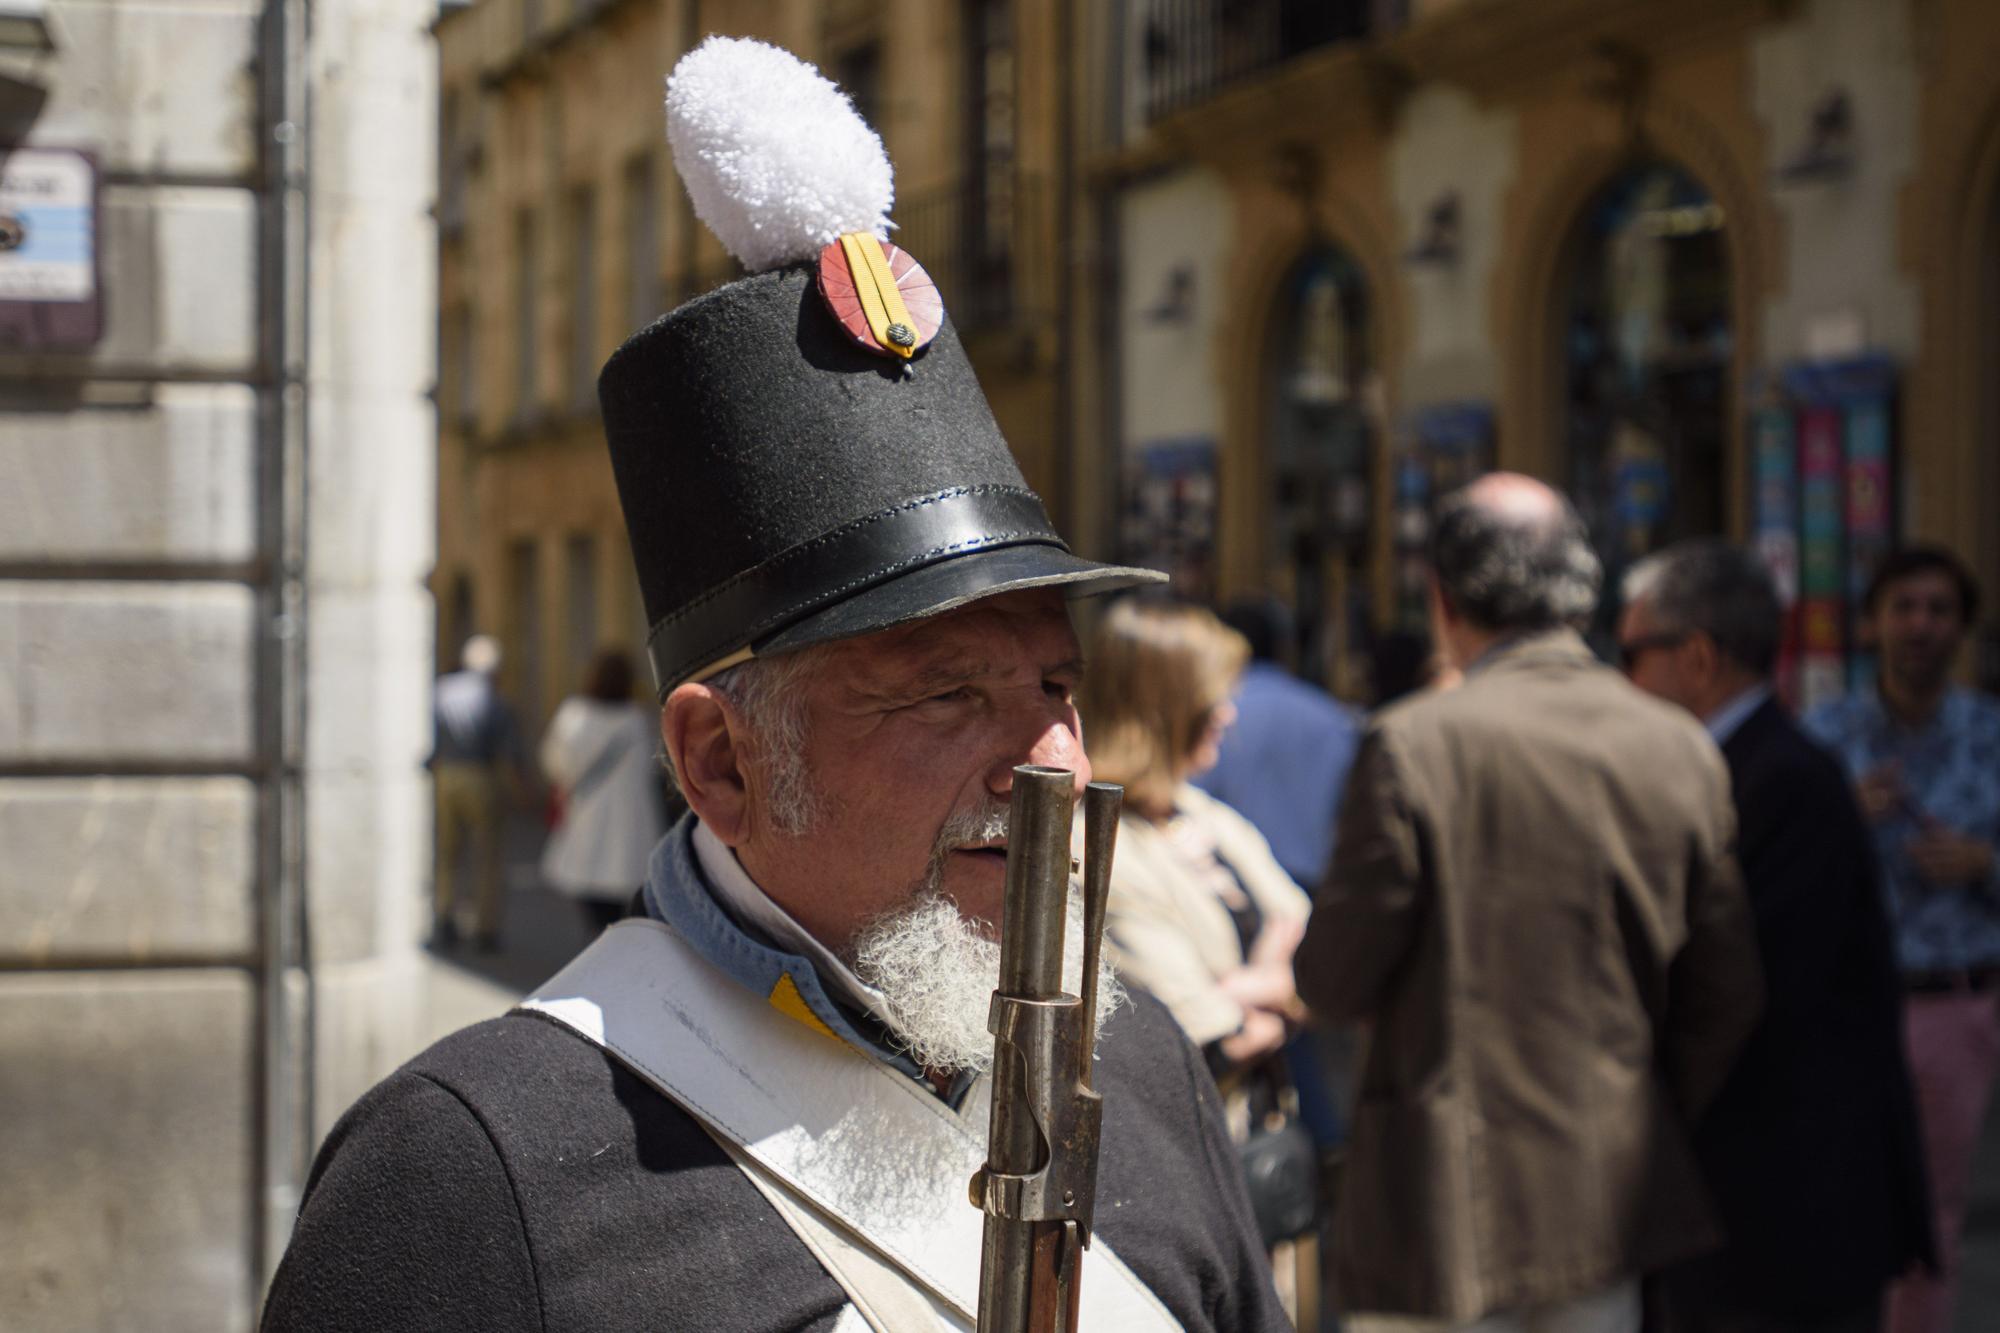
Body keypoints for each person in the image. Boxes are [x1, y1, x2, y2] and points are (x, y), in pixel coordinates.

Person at [263, 37, 1288, 1333]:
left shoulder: (1138, 1059)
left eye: (1056, 683)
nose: (1055, 764)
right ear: (722, 765)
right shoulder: (459, 1174)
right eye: (945, 695)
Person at [1293, 473, 1764, 1333]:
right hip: (1605, 1195)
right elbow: (1726, 988)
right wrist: (1639, 1100)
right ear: (1582, 587)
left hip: (1438, 1218)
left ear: (1443, 599)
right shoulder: (1678, 746)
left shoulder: (1414, 743)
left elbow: (1335, 980)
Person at [1620, 539, 1931, 1333]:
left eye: (1632, 654)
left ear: (1695, 656)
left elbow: (1740, 992)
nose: (1623, 683)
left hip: (1784, 1216)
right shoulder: (1740, 767)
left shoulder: (1777, 778)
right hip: (1756, 1212)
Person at [1078, 598, 1317, 1317]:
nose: (1231, 714)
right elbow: (1209, 1032)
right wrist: (1278, 983)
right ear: (1162, 704)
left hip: (1260, 1144)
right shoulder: (1097, 841)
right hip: (1185, 1168)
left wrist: (1252, 984)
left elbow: (1313, 942)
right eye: (1215, 696)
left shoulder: (1201, 813)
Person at [1804, 545, 2000, 1333]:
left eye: (1939, 609)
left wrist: (1986, 863)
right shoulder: (1824, 734)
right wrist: (1839, 818)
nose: (1920, 625)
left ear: (1963, 629)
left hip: (1952, 1002)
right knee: (1831, 1204)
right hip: (1840, 1006)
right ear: (1872, 624)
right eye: (1904, 607)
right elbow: (1767, 867)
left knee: (1932, 1213)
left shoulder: (1991, 734)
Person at [1196, 596, 1362, 891]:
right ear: (1285, 647)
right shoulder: (1331, 716)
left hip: (1234, 887)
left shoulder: (1214, 716)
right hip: (1314, 884)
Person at [537, 648, 665, 933]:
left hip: (587, 826)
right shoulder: (637, 719)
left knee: (593, 917)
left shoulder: (574, 714)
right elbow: (651, 767)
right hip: (629, 832)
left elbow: (554, 763)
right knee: (624, 915)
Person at [430, 633, 530, 948]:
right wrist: (522, 791)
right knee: (487, 856)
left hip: (445, 774)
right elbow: (510, 752)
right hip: (481, 776)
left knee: (446, 853)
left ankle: (445, 915)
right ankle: (485, 927)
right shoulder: (494, 698)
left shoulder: (441, 691)